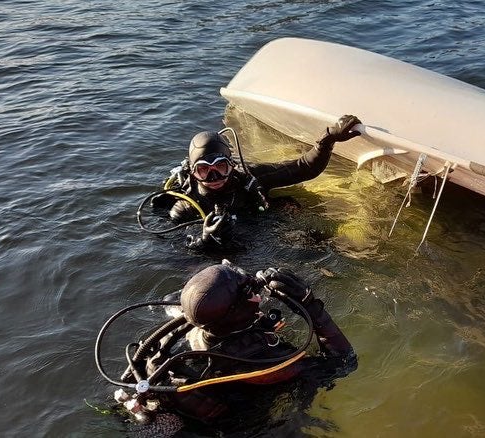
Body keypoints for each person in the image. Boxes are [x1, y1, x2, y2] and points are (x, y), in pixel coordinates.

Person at [109, 261, 355, 435]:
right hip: (243, 427)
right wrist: (312, 307)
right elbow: (343, 363)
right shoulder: (264, 360)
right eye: (249, 291)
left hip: (184, 408)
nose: (257, 292)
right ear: (237, 311)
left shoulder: (179, 335)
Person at [151, 115, 362, 248]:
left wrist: (328, 139)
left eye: (220, 168)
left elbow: (304, 168)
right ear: (192, 171)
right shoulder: (186, 206)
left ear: (231, 165)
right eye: (204, 170)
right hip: (225, 255)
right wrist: (205, 241)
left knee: (314, 246)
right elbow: (175, 256)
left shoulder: (248, 177)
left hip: (262, 230)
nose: (214, 177)